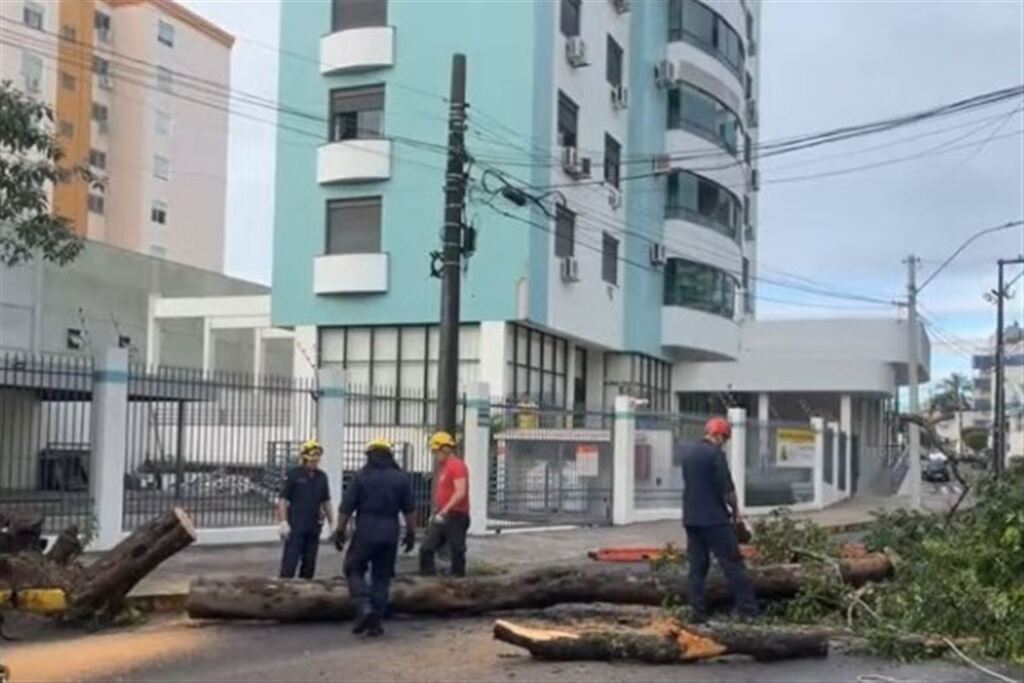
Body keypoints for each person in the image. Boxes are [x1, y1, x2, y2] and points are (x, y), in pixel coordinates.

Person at [334, 438, 416, 637]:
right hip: (390, 531)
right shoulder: (401, 478)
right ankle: (376, 622)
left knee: (353, 567)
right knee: (382, 576)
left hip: (366, 529)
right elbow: (410, 510)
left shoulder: (361, 477)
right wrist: (411, 533)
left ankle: (364, 606)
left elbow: (346, 507)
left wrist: (340, 530)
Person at [680, 416, 758, 622]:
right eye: (725, 438)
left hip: (691, 518)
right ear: (720, 435)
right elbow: (727, 489)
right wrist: (736, 512)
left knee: (697, 567)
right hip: (714, 519)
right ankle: (747, 610)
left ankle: (698, 612)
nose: (725, 443)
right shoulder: (715, 455)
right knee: (733, 564)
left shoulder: (688, 453)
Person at [277, 439, 334, 579]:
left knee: (309, 565)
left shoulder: (322, 477)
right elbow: (283, 499)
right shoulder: (293, 475)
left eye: (316, 461)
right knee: (289, 564)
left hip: (313, 527)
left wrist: (332, 522)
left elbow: (326, 501)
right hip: (296, 526)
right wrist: (283, 522)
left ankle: (306, 591)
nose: (314, 463)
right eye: (311, 461)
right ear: (304, 459)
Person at [419, 431, 470, 577]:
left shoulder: (456, 466)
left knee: (457, 550)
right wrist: (438, 511)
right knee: (426, 548)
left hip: (456, 515)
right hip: (443, 514)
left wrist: (445, 510)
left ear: (445, 449)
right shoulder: (446, 467)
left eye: (436, 452)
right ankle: (427, 580)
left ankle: (458, 580)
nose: (435, 456)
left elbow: (460, 492)